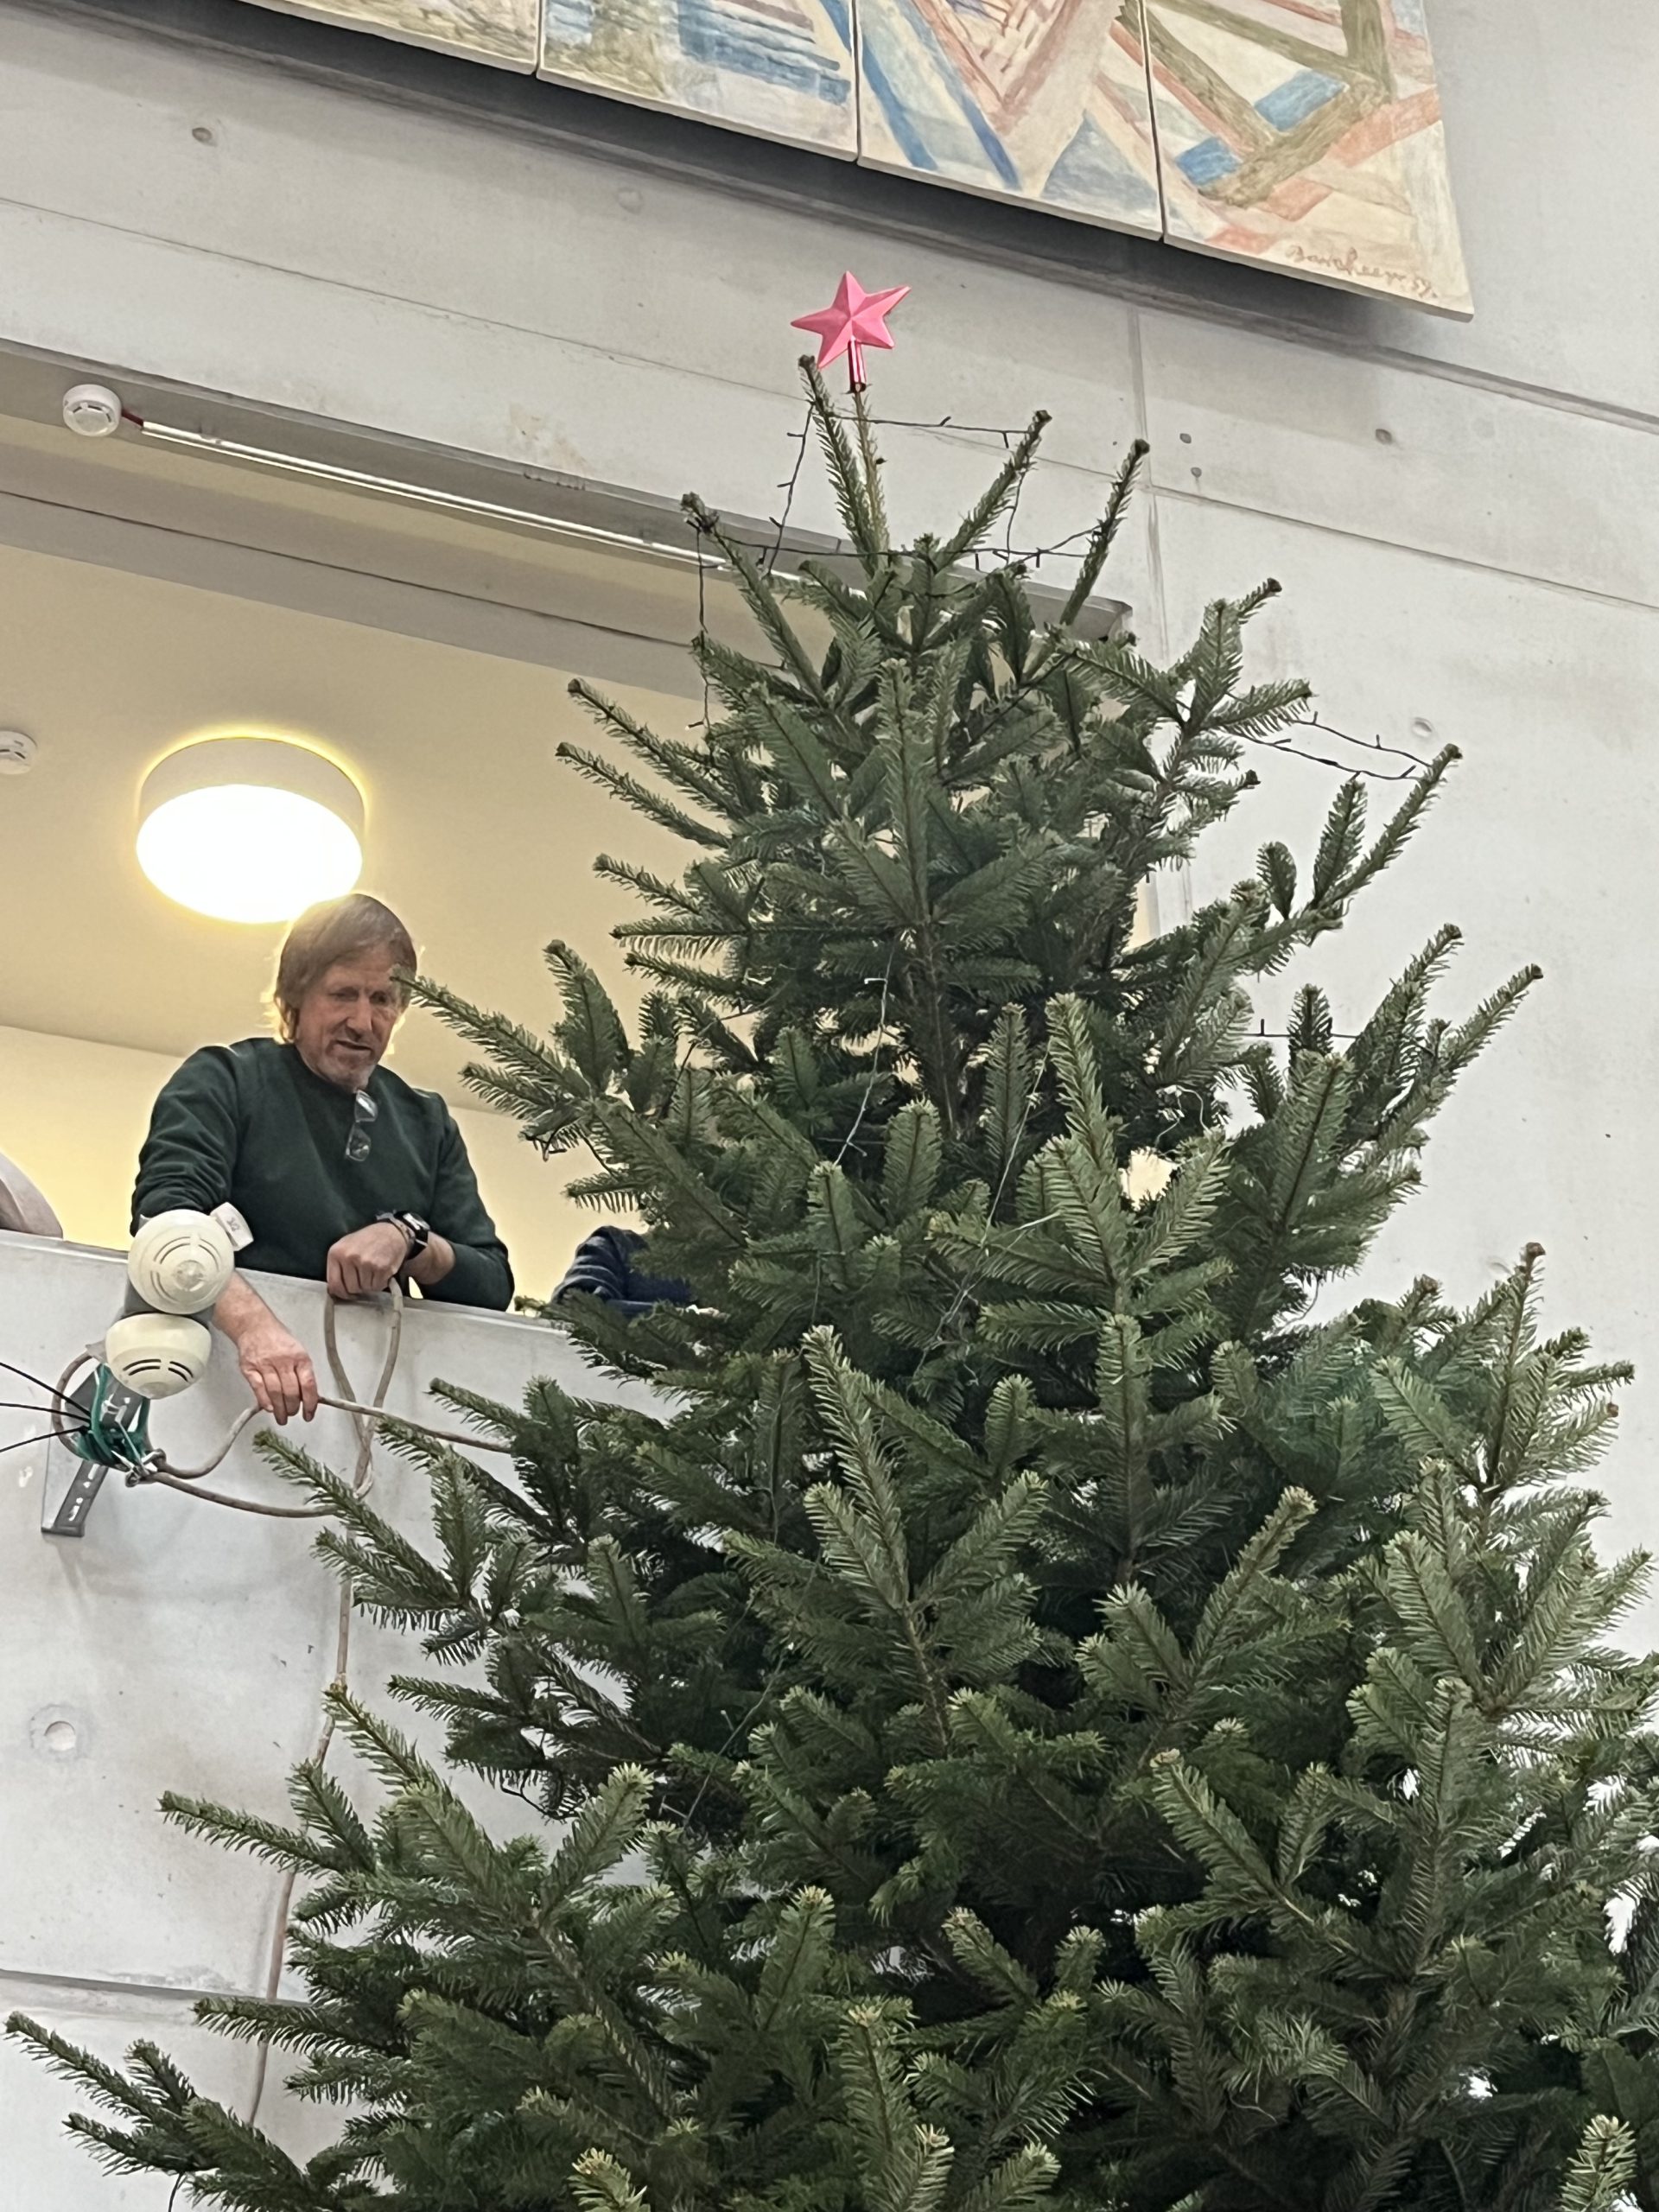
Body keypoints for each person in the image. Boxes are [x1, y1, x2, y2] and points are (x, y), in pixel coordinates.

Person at [131, 893, 512, 1426]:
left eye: (383, 1000)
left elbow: (491, 1284)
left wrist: (408, 1239)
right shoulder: (227, 1079)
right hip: (223, 1393)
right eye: (343, 994)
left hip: (375, 1411)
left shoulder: (427, 1121)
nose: (363, 1021)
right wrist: (255, 1330)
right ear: (295, 997)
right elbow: (166, 1219)